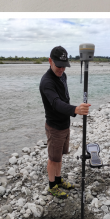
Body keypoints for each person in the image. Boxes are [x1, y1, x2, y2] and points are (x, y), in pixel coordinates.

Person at [39, 46, 90, 198]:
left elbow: (64, 98)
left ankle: (59, 180)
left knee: (60, 156)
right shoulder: (47, 82)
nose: (61, 69)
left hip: (64, 124)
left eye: (64, 66)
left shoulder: (62, 76)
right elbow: (55, 103)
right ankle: (52, 186)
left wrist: (71, 112)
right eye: (58, 66)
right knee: (53, 158)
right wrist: (75, 110)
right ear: (50, 61)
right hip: (54, 126)